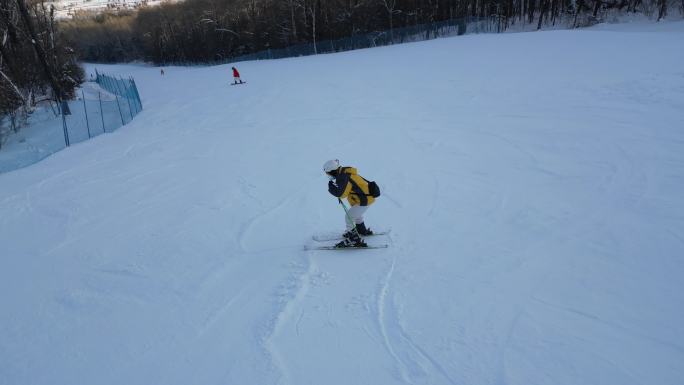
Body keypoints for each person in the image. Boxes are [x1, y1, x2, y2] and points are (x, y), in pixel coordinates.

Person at [323, 159, 377, 247]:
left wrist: (331, 188)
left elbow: (341, 194)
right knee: (356, 214)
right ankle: (361, 230)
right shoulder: (344, 173)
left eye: (328, 174)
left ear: (333, 171)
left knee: (349, 217)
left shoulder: (344, 177)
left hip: (364, 199)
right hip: (364, 198)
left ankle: (354, 239)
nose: (328, 176)